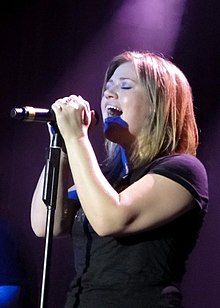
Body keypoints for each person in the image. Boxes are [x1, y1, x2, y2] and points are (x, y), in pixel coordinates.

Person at [31, 51, 208, 307]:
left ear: (159, 104)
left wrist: (78, 138)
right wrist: (63, 146)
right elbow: (45, 223)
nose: (108, 95)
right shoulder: (105, 178)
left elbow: (110, 219)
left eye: (125, 86)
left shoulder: (183, 169)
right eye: (108, 88)